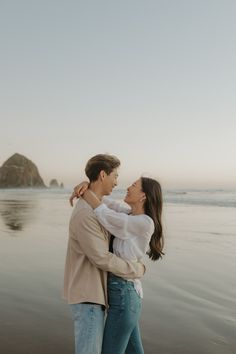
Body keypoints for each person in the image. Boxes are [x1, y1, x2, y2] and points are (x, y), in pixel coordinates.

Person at [71, 176, 164, 354]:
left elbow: (106, 215)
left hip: (124, 296)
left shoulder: (145, 222)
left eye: (134, 185)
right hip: (125, 296)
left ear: (143, 195)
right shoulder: (128, 212)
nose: (128, 187)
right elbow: (104, 200)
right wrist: (86, 184)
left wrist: (87, 192)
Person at [63, 154, 145, 354]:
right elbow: (101, 257)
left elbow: (108, 206)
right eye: (114, 176)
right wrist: (135, 269)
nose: (117, 182)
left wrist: (86, 188)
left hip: (98, 294)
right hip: (88, 296)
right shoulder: (86, 214)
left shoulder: (99, 208)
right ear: (102, 175)